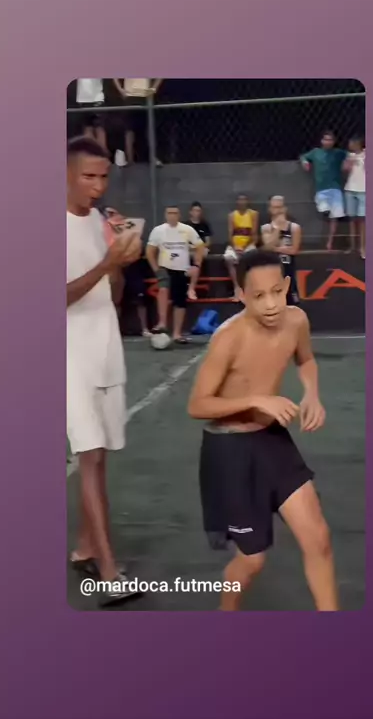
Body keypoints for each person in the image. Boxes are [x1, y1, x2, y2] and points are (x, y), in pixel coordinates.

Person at [188, 249, 338, 612]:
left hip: (272, 441)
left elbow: (306, 359)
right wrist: (256, 399)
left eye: (276, 292)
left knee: (318, 538)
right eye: (258, 295)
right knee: (252, 560)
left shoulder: (297, 320)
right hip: (229, 451)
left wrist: (312, 395)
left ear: (286, 286)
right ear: (241, 295)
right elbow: (198, 405)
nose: (270, 304)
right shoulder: (229, 338)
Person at [66, 136, 144, 605]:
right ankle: (110, 573)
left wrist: (119, 260)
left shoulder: (99, 221)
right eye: (87, 176)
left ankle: (85, 548)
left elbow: (112, 296)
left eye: (103, 177)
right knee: (91, 458)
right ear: (65, 175)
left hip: (105, 348)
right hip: (68, 355)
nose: (97, 186)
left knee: (99, 458)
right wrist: (105, 264)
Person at [146, 207, 206, 342]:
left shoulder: (187, 229)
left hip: (182, 269)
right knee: (163, 289)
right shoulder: (158, 230)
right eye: (169, 213)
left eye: (175, 213)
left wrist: (196, 264)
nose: (172, 216)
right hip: (164, 267)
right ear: (165, 215)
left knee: (180, 301)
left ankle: (177, 333)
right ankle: (162, 322)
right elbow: (149, 251)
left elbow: (200, 246)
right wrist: (156, 269)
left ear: (179, 215)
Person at [300, 130, 347, 251]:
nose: (328, 142)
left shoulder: (338, 153)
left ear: (334, 142)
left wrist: (348, 163)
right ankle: (325, 211)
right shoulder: (316, 152)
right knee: (323, 207)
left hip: (335, 188)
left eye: (330, 140)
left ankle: (330, 242)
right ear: (321, 141)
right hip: (321, 189)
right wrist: (304, 162)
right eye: (326, 139)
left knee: (335, 217)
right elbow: (303, 156)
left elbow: (350, 155)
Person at [261, 195, 301, 305]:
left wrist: (276, 249)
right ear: (270, 209)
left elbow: (294, 250)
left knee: (291, 305)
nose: (277, 211)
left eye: (279, 207)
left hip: (288, 271)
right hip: (271, 271)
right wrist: (277, 228)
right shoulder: (266, 228)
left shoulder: (294, 228)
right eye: (274, 207)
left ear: (285, 208)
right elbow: (268, 247)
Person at [112, 79, 163, 165]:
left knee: (148, 128)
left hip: (145, 95)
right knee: (129, 129)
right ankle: (130, 159)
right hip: (130, 96)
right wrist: (120, 90)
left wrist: (154, 88)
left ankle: (151, 157)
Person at [223, 194, 259, 299]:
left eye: (244, 200)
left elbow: (254, 234)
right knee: (228, 258)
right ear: (237, 202)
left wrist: (244, 248)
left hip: (249, 244)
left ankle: (249, 289)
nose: (242, 202)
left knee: (251, 258)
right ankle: (237, 288)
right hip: (235, 245)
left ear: (247, 202)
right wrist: (235, 248)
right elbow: (230, 234)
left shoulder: (253, 214)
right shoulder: (232, 215)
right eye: (240, 200)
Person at [343, 136, 366, 259]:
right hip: (350, 189)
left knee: (363, 221)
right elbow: (344, 169)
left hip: (364, 190)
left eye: (351, 143)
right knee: (352, 219)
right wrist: (349, 161)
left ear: (358, 143)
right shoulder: (349, 155)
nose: (350, 145)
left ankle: (363, 248)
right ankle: (352, 246)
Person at [186, 201, 212, 292]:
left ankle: (192, 286)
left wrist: (199, 247)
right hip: (189, 248)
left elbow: (208, 242)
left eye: (198, 211)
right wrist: (190, 247)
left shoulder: (205, 225)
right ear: (190, 212)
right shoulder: (185, 225)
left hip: (201, 248)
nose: (197, 213)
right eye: (195, 210)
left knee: (200, 254)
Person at [76, 79, 107, 150]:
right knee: (88, 128)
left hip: (96, 99)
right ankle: (90, 153)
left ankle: (102, 154)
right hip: (83, 99)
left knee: (99, 128)